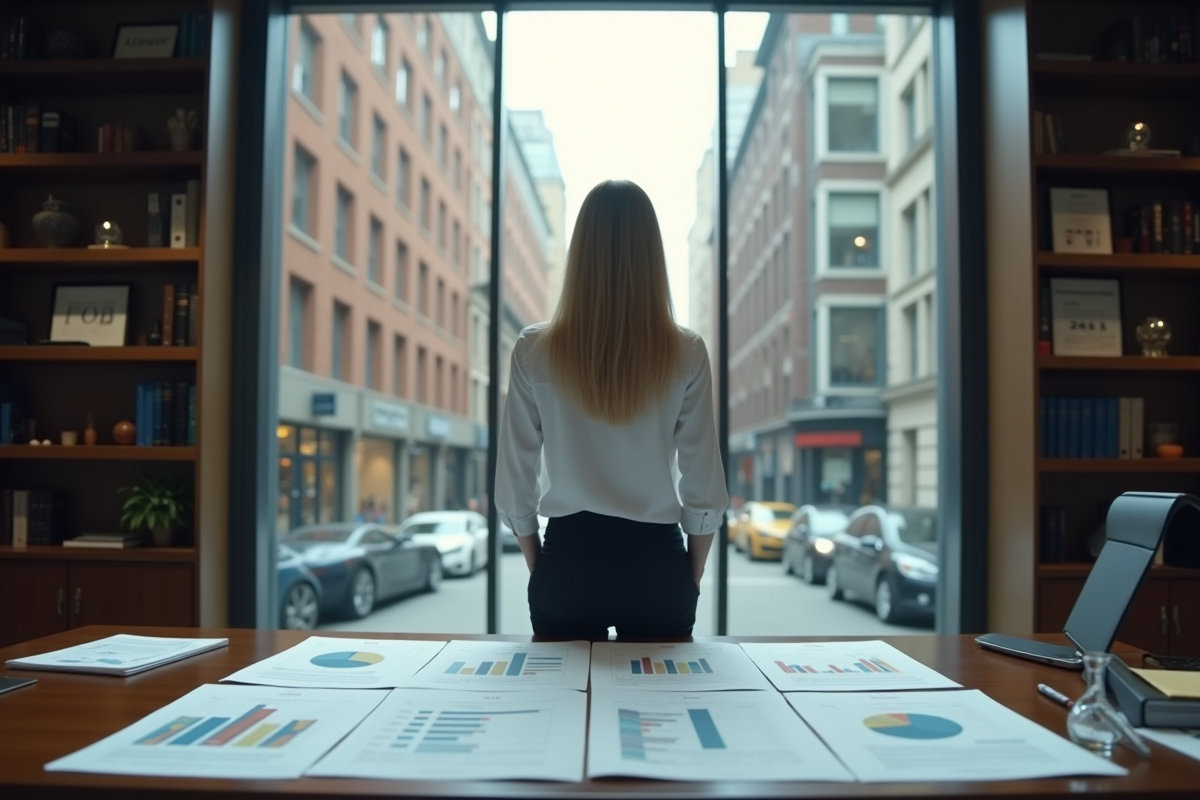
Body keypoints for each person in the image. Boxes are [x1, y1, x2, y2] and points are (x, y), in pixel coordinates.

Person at [495, 179, 728, 639]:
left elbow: (514, 480)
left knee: (566, 690)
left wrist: (542, 566)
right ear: (652, 254)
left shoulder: (533, 349)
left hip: (568, 564)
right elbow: (703, 485)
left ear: (580, 252)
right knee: (658, 689)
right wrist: (690, 577)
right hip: (656, 565)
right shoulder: (686, 351)